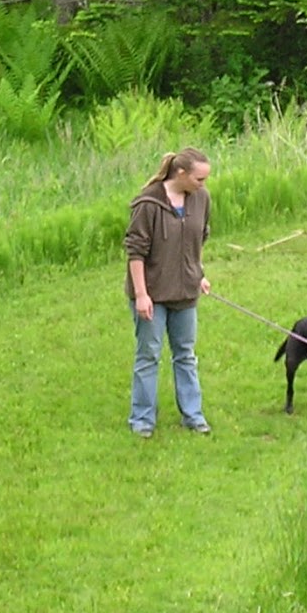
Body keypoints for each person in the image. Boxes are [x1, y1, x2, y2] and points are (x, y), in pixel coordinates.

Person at [124, 147, 213, 437]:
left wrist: (198, 274)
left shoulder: (201, 199)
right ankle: (142, 420)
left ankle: (193, 416)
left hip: (185, 291)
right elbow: (135, 252)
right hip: (152, 293)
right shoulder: (148, 204)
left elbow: (197, 240)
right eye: (199, 179)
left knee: (185, 354)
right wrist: (141, 295)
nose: (203, 185)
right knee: (149, 355)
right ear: (181, 173)